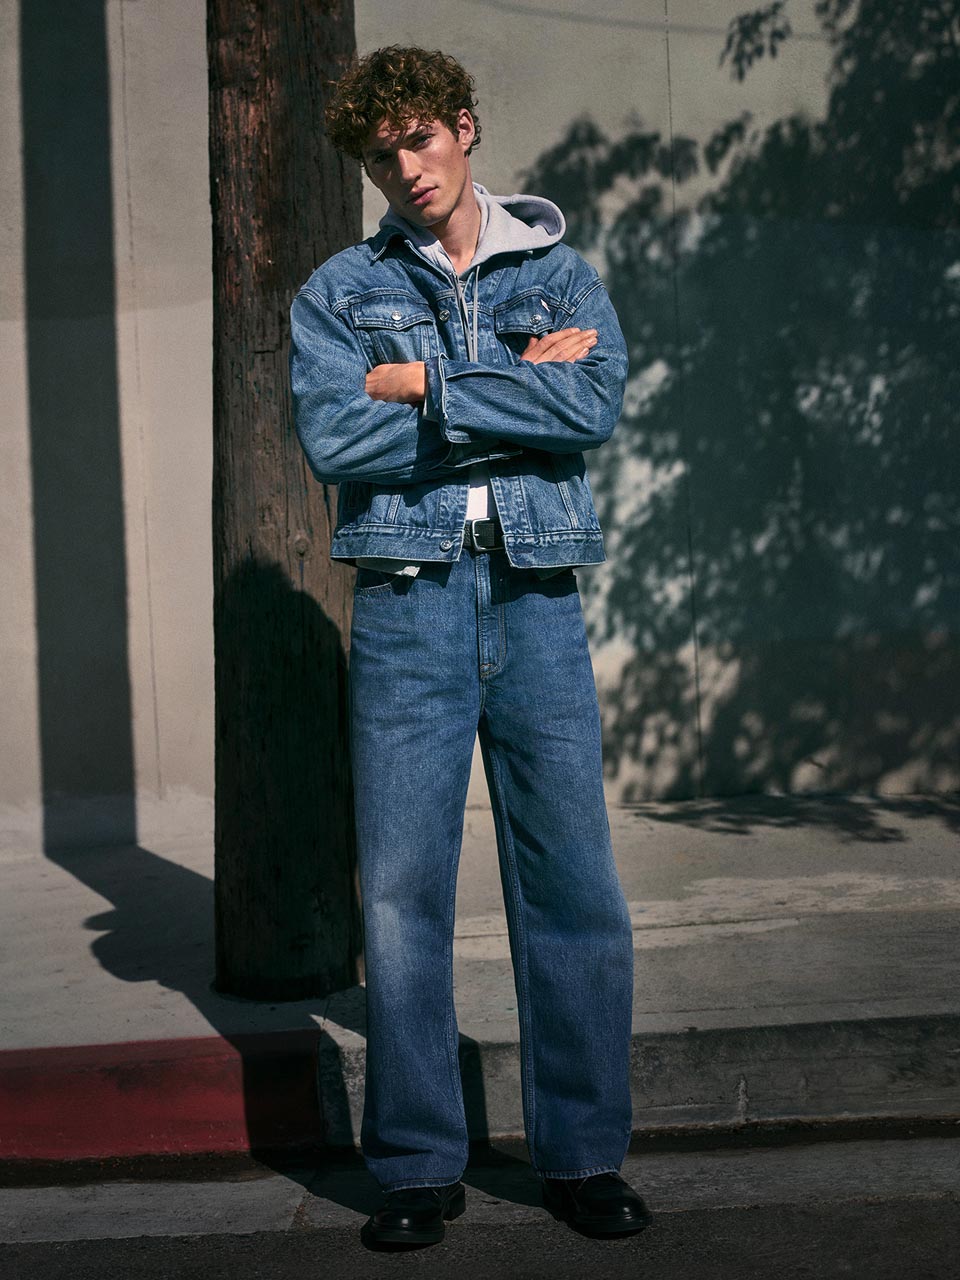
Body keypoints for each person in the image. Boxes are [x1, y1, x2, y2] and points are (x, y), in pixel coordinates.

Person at [289, 45, 650, 1248]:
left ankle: (585, 1154)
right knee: (403, 893)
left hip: (536, 595)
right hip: (411, 602)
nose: (405, 168)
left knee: (574, 881)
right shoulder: (340, 291)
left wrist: (423, 386)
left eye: (420, 138)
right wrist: (505, 392)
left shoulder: (558, 271)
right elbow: (338, 439)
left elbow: (591, 405)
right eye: (380, 154)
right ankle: (415, 1163)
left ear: (463, 128)